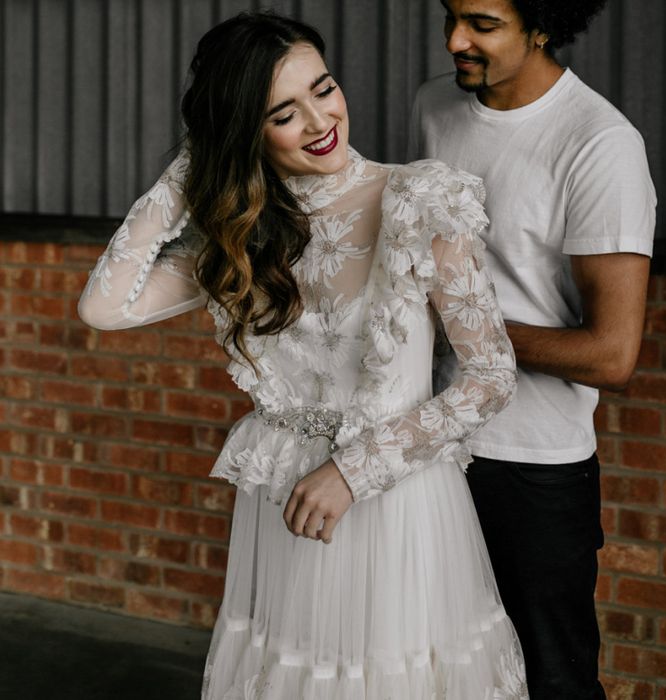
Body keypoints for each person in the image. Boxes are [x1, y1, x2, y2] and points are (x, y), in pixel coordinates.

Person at [78, 11, 529, 700]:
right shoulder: (244, 235)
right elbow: (104, 307)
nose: (321, 120)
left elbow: (491, 377)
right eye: (283, 113)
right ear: (244, 133)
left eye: (323, 88)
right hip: (282, 514)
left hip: (389, 505)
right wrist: (190, 166)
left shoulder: (415, 201)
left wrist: (352, 471)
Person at [409, 1, 656, 698]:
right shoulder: (435, 105)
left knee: (551, 683)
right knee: (437, 673)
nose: (456, 40)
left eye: (482, 24)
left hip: (531, 468)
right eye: (451, 16)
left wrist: (457, 319)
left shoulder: (599, 142)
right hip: (427, 443)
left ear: (544, 24)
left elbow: (612, 353)